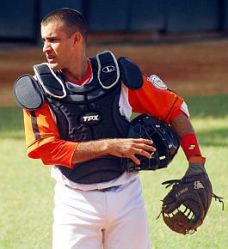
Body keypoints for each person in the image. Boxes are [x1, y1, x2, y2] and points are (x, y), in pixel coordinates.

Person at [16, 8, 207, 249]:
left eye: (53, 40)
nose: (45, 48)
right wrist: (111, 146)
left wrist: (196, 162)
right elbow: (45, 149)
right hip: (75, 203)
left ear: (76, 40)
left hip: (127, 198)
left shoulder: (118, 77)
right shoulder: (39, 89)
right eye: (44, 40)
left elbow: (174, 109)